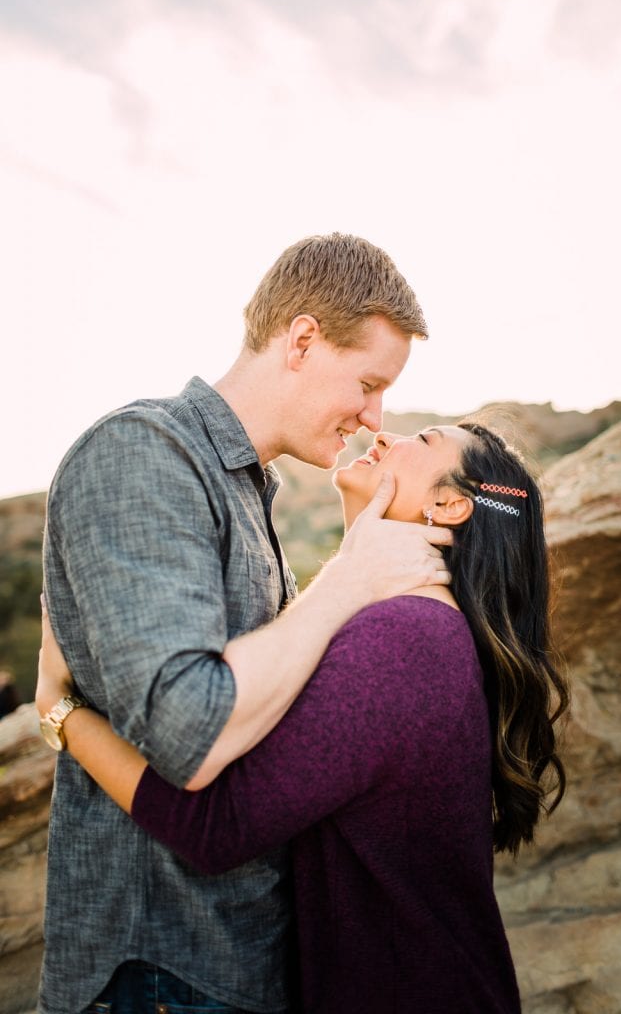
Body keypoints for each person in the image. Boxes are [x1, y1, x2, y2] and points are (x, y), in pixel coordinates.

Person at [38, 232, 452, 1014]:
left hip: (235, 961)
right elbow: (191, 737)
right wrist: (347, 580)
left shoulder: (247, 488)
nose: (374, 415)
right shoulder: (142, 454)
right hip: (161, 970)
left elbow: (281, 710)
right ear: (301, 340)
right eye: (367, 383)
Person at [37, 419, 569, 1013]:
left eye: (421, 442)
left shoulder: (405, 638)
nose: (386, 433)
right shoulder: (417, 627)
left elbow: (217, 827)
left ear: (448, 505)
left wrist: (61, 709)